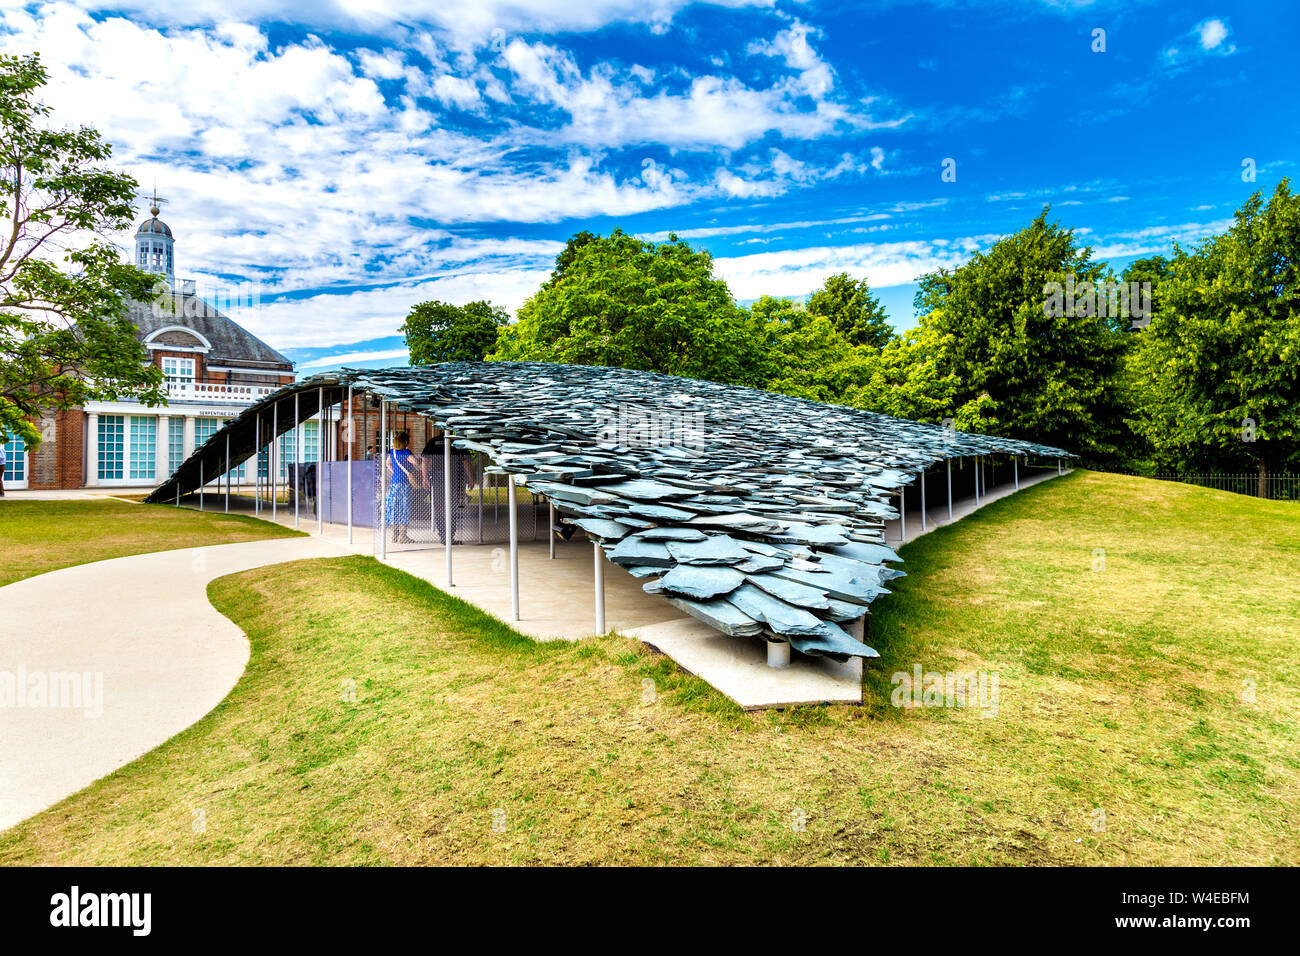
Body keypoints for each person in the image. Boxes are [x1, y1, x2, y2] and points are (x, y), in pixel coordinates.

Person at [385, 430, 416, 544]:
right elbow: (415, 463)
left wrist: (394, 471)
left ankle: (394, 536)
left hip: (394, 484)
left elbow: (387, 463)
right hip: (404, 484)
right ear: (405, 441)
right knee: (404, 508)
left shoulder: (392, 452)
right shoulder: (406, 453)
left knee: (394, 509)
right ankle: (403, 536)